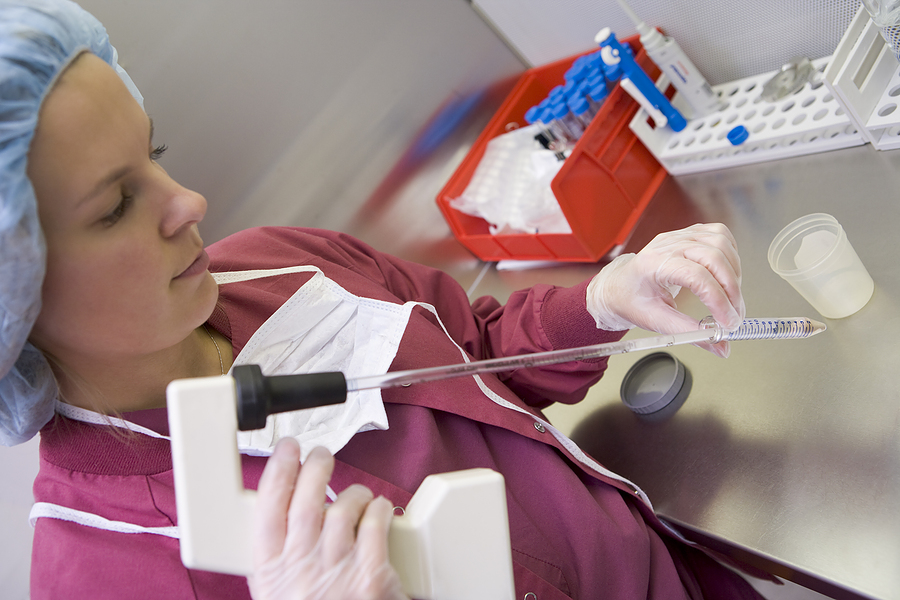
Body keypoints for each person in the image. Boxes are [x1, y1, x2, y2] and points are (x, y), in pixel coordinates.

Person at [0, 1, 764, 598]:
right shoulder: (100, 569)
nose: (189, 203)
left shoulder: (278, 262)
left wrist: (600, 303)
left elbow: (481, 346)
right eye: (113, 206)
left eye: (155, 155)